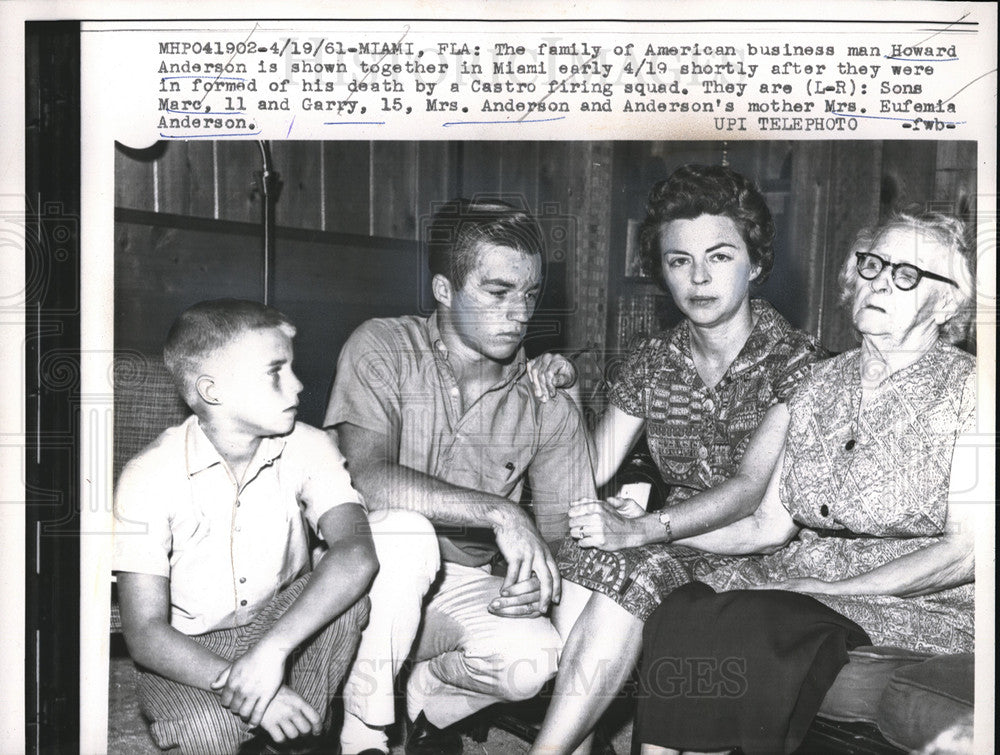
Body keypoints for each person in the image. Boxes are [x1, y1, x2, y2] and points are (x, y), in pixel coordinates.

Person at [634, 211, 979, 754]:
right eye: (873, 264)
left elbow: (966, 553)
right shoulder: (819, 382)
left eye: (908, 274)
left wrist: (831, 592)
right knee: (686, 608)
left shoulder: (973, 390)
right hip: (805, 579)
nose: (881, 281)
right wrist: (646, 530)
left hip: (921, 601)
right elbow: (766, 526)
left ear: (947, 303)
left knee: (756, 620)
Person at [525, 165, 825, 754]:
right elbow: (590, 466)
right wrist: (556, 398)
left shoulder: (797, 362)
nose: (699, 278)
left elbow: (748, 492)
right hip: (673, 537)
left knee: (630, 565)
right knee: (587, 555)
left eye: (719, 256)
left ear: (756, 264)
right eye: (679, 261)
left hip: (758, 546)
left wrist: (640, 530)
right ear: (662, 272)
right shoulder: (655, 359)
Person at [325, 199, 597, 755]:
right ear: (444, 289)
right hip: (358, 566)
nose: (520, 313)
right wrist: (500, 511)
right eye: (498, 292)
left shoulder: (546, 400)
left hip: (458, 584)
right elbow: (368, 479)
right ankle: (366, 734)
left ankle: (415, 699)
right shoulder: (382, 347)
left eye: (530, 294)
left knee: (534, 660)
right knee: (407, 535)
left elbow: (565, 542)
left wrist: (538, 581)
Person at [112, 299, 378, 754]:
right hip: (188, 649)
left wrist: (271, 653)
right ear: (213, 390)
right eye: (276, 372)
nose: (297, 386)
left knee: (348, 595)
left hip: (278, 625)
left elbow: (357, 554)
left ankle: (292, 736)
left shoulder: (309, 446)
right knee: (209, 733)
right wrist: (255, 688)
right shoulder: (148, 476)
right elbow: (146, 634)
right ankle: (274, 718)